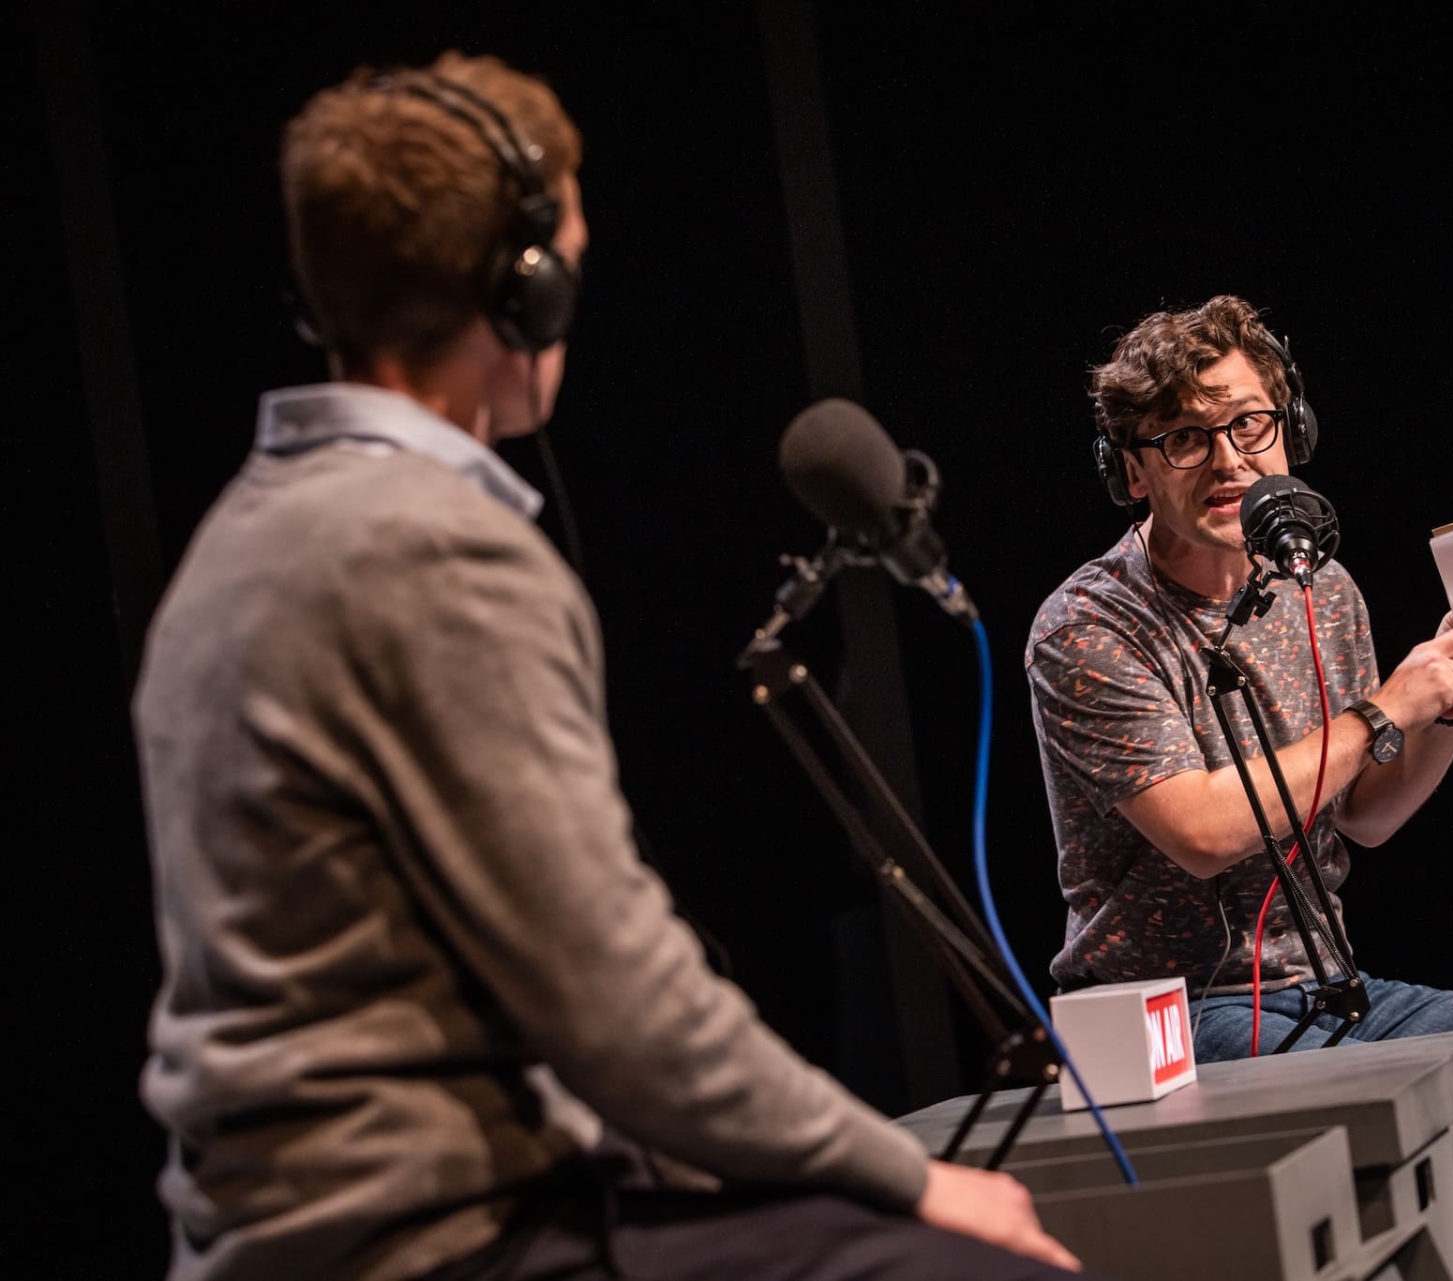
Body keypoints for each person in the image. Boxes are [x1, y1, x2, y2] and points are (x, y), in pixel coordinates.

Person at [133, 52, 1083, 1281]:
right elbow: (619, 1008)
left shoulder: (242, 537)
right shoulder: (432, 551)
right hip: (443, 1231)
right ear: (518, 287)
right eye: (568, 253)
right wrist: (915, 1181)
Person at [1024, 295, 1453, 1274]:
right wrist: (1379, 715)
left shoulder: (1322, 587)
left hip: (1325, 991)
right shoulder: (1088, 628)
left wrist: (1444, 708)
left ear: (1290, 429)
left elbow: (1365, 818)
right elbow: (1199, 829)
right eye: (1184, 438)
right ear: (1131, 470)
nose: (1228, 459)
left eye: (1248, 423)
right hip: (1172, 1018)